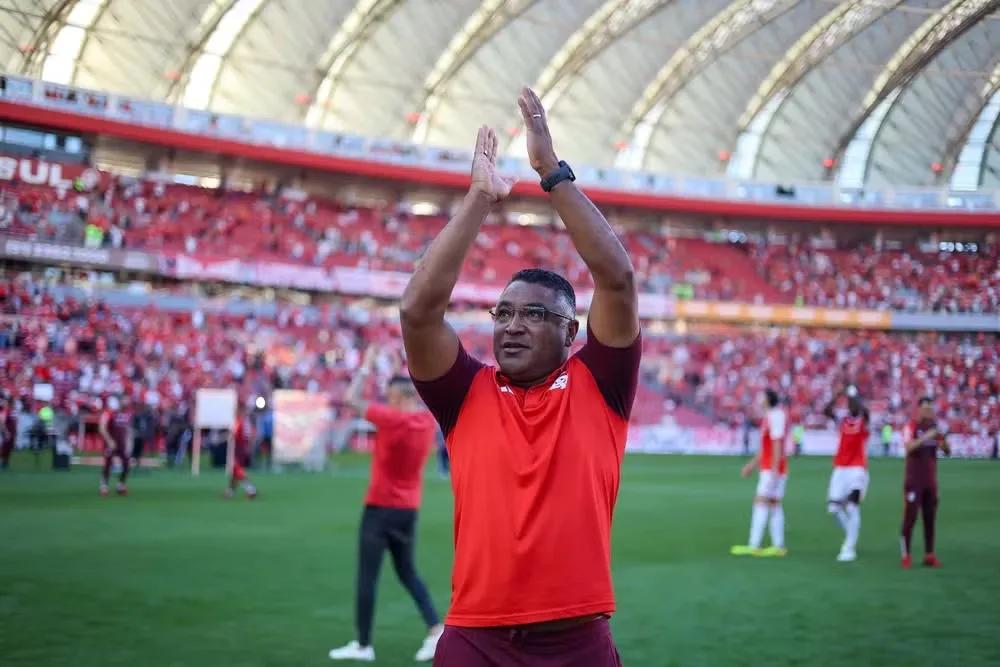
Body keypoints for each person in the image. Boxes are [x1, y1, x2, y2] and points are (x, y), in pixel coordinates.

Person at [399, 87, 640, 667]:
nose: (512, 326)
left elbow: (617, 279)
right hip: (474, 640)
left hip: (577, 644)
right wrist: (479, 200)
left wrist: (551, 172)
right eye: (503, 313)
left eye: (533, 314)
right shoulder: (464, 393)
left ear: (570, 330)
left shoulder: (601, 382)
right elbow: (417, 311)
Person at [328, 345, 443, 662]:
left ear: (398, 399)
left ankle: (363, 644)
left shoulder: (390, 419)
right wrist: (395, 371)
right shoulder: (425, 422)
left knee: (368, 576)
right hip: (408, 510)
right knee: (407, 572)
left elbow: (351, 399)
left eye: (391, 397)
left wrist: (366, 367)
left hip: (379, 508)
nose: (387, 401)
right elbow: (404, 392)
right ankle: (435, 630)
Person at [731, 389, 788, 557]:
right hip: (772, 467)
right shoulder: (771, 416)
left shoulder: (775, 416)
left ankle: (754, 544)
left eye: (761, 397)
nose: (759, 399)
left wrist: (775, 468)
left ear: (768, 400)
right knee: (773, 503)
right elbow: (767, 447)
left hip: (772, 469)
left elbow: (777, 443)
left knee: (761, 502)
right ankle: (778, 546)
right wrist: (752, 465)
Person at [900, 397, 949, 569]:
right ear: (919, 409)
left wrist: (943, 440)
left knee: (930, 518)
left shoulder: (935, 428)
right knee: (910, 518)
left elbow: (947, 451)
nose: (928, 412)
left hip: (930, 481)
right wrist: (926, 437)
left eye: (930, 409)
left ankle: (929, 554)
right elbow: (908, 447)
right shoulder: (911, 427)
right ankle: (906, 555)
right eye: (926, 408)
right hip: (914, 481)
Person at [824, 389, 870, 562]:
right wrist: (837, 396)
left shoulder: (863, 421)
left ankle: (849, 548)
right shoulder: (843, 420)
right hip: (840, 469)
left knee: (852, 506)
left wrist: (855, 398)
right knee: (834, 509)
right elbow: (827, 411)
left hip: (857, 469)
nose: (851, 404)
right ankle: (851, 534)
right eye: (849, 402)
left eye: (853, 401)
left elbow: (865, 413)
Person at [99, 396, 131, 496]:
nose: (126, 402)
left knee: (126, 463)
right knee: (108, 463)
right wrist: (109, 440)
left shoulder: (125, 414)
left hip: (122, 443)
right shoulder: (109, 413)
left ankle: (121, 484)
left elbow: (126, 429)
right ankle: (104, 485)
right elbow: (102, 428)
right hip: (111, 443)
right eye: (124, 400)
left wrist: (128, 442)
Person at [224, 407, 257, 499]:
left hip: (238, 448)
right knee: (234, 471)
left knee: (236, 469)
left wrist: (224, 437)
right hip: (244, 447)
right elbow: (251, 434)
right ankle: (230, 491)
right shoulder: (246, 422)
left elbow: (234, 434)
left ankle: (251, 489)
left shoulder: (239, 421)